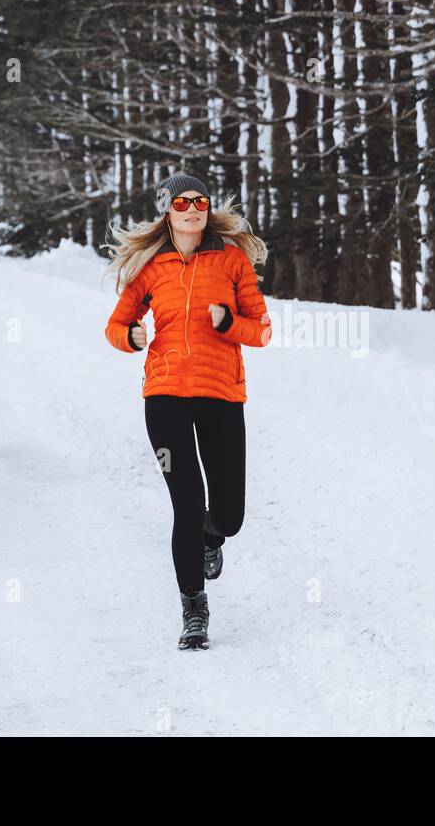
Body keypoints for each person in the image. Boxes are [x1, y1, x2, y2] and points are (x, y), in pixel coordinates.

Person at [102, 173, 272, 650]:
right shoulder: (151, 268)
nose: (193, 207)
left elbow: (261, 330)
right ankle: (193, 607)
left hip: (220, 393)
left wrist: (229, 322)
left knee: (229, 515)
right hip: (164, 396)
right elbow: (117, 325)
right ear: (167, 211)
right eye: (182, 201)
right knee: (186, 500)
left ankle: (210, 536)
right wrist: (131, 338)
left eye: (200, 200)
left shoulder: (233, 261)